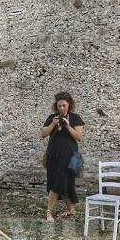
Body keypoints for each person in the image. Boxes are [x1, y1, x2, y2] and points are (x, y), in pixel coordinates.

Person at [40, 91, 85, 222]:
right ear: (56, 106)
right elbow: (43, 134)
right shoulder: (52, 118)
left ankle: (71, 209)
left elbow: (79, 137)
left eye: (64, 105)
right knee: (55, 183)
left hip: (69, 157)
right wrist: (53, 124)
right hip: (54, 156)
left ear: (69, 105)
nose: (61, 108)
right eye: (59, 106)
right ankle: (49, 212)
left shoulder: (75, 118)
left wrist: (67, 126)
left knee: (66, 183)